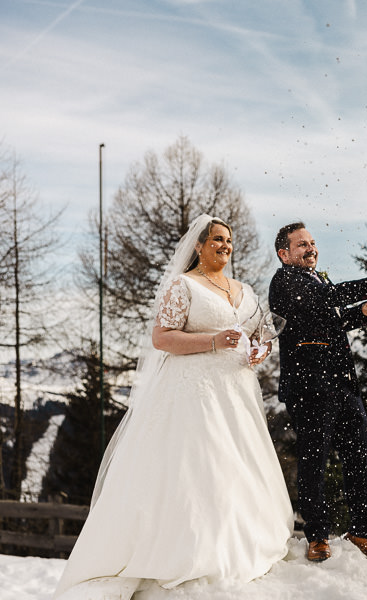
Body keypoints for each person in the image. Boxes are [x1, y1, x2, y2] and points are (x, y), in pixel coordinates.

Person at [55, 215, 293, 599]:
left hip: (236, 391)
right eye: (216, 239)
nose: (224, 246)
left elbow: (255, 336)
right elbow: (162, 338)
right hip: (191, 391)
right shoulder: (184, 285)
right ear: (198, 246)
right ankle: (187, 549)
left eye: (228, 240)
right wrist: (213, 341)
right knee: (199, 464)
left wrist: (259, 350)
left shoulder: (244, 291)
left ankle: (235, 541)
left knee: (236, 464)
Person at [269, 221, 367, 568]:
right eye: (302, 244)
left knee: (358, 461)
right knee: (314, 464)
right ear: (284, 253)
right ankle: (317, 535)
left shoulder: (320, 281)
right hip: (310, 388)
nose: (311, 248)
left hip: (344, 384)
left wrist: (364, 313)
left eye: (313, 242)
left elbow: (329, 319)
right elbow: (322, 302)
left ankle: (364, 531)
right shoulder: (284, 282)